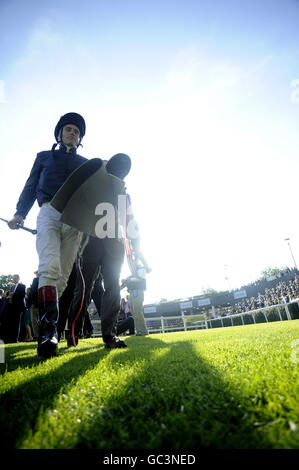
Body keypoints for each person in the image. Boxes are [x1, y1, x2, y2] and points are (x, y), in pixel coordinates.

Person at [8, 113, 88, 358]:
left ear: (80, 138)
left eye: (76, 131)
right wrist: (20, 212)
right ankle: (48, 332)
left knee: (62, 278)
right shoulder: (43, 157)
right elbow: (31, 185)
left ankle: (50, 326)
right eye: (68, 129)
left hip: (75, 220)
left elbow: (93, 195)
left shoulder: (87, 164)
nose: (72, 133)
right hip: (49, 212)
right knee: (49, 267)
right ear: (59, 133)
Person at [2, 274, 26, 343]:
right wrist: (8, 296)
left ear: (18, 279)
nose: (14, 279)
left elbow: (23, 295)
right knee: (12, 323)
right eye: (13, 278)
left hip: (19, 307)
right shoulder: (11, 287)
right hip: (11, 307)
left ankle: (16, 338)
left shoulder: (22, 286)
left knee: (17, 323)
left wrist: (13, 294)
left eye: (15, 278)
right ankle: (10, 338)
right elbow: (10, 295)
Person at [26, 270, 39, 340]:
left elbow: (32, 292)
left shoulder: (36, 280)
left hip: (35, 303)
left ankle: (37, 335)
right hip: (43, 303)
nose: (36, 274)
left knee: (34, 320)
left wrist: (28, 304)